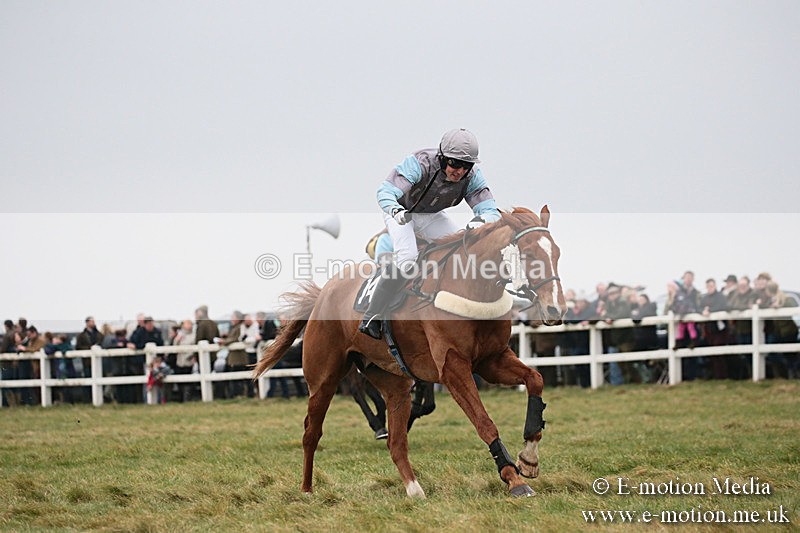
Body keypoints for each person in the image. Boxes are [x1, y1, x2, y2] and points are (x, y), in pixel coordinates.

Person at [359, 128, 502, 339]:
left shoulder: (472, 177)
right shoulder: (420, 162)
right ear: (443, 158)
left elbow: (490, 211)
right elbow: (385, 191)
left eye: (466, 166)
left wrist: (479, 222)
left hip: (430, 216)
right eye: (454, 163)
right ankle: (372, 316)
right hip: (400, 211)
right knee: (408, 258)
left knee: (464, 250)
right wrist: (396, 211)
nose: (460, 171)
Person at [700, 278, 731, 379]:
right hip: (709, 329)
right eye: (708, 286)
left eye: (712, 286)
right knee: (712, 353)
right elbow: (700, 308)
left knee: (719, 351)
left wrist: (710, 311)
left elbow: (723, 306)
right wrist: (703, 311)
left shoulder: (720, 296)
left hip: (720, 329)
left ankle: (723, 375)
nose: (710, 288)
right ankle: (717, 375)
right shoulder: (704, 298)